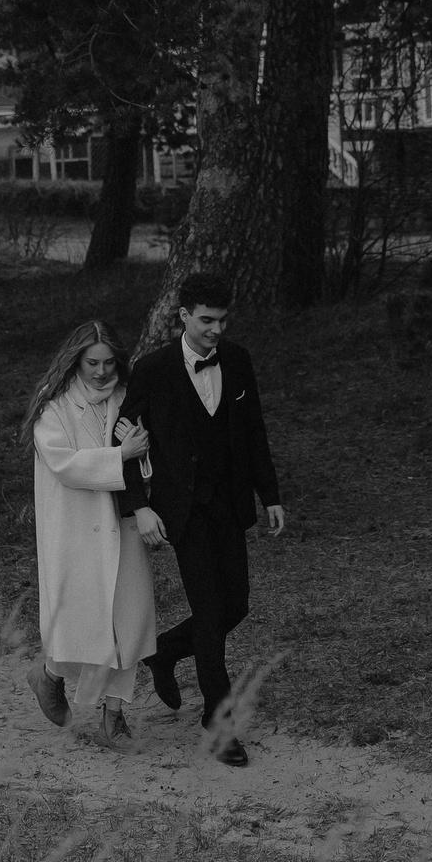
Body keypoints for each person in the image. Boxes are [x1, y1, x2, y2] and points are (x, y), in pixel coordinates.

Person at [116, 270, 284, 766]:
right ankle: (219, 719)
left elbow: (254, 431)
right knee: (210, 614)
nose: (216, 329)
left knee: (236, 606)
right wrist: (140, 505)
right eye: (207, 320)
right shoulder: (152, 369)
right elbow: (123, 444)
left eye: (223, 320)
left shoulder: (238, 360)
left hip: (229, 503)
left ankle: (166, 650)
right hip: (183, 510)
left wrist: (269, 494)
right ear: (184, 316)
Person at [23, 319, 156, 744]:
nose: (101, 372)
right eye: (92, 363)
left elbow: (146, 457)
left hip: (122, 522)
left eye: (109, 362)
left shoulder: (127, 397)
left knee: (127, 620)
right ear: (75, 361)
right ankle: (49, 675)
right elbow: (64, 464)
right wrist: (121, 455)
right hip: (75, 525)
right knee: (78, 620)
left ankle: (113, 716)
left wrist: (140, 453)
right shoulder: (54, 405)